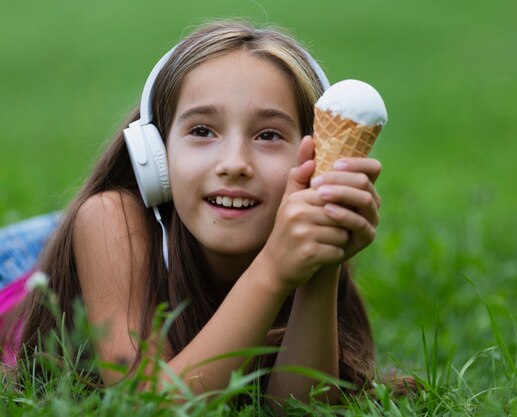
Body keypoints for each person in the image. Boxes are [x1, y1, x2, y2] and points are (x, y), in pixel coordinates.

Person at [0, 20, 382, 404]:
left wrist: (320, 262)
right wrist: (274, 268)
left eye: (268, 135)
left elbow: (300, 408)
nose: (234, 164)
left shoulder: (300, 232)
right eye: (202, 131)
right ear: (155, 153)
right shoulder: (108, 219)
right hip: (22, 266)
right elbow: (146, 404)